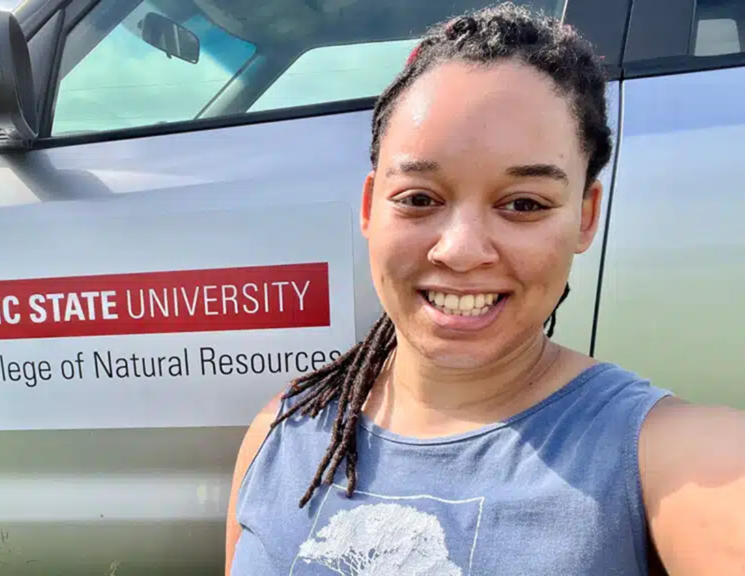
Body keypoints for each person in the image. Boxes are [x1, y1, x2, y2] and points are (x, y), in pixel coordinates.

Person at [224, 3, 745, 575]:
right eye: (420, 198)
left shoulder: (663, 459)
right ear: (372, 206)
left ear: (586, 217)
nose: (462, 250)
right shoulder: (282, 432)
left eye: (523, 204)